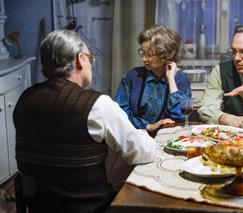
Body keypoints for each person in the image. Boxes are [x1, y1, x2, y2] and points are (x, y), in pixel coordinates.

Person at [13, 30, 156, 213]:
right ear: (81, 59)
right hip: (90, 208)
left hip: (39, 207)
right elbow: (141, 153)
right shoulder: (97, 105)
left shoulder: (25, 99)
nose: (91, 64)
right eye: (90, 58)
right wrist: (144, 136)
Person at [115, 25, 192, 135]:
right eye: (142, 52)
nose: (144, 59)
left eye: (149, 54)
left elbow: (180, 117)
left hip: (167, 137)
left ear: (165, 55)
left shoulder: (181, 80)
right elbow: (119, 111)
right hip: (134, 135)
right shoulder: (132, 76)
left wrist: (171, 80)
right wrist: (148, 126)